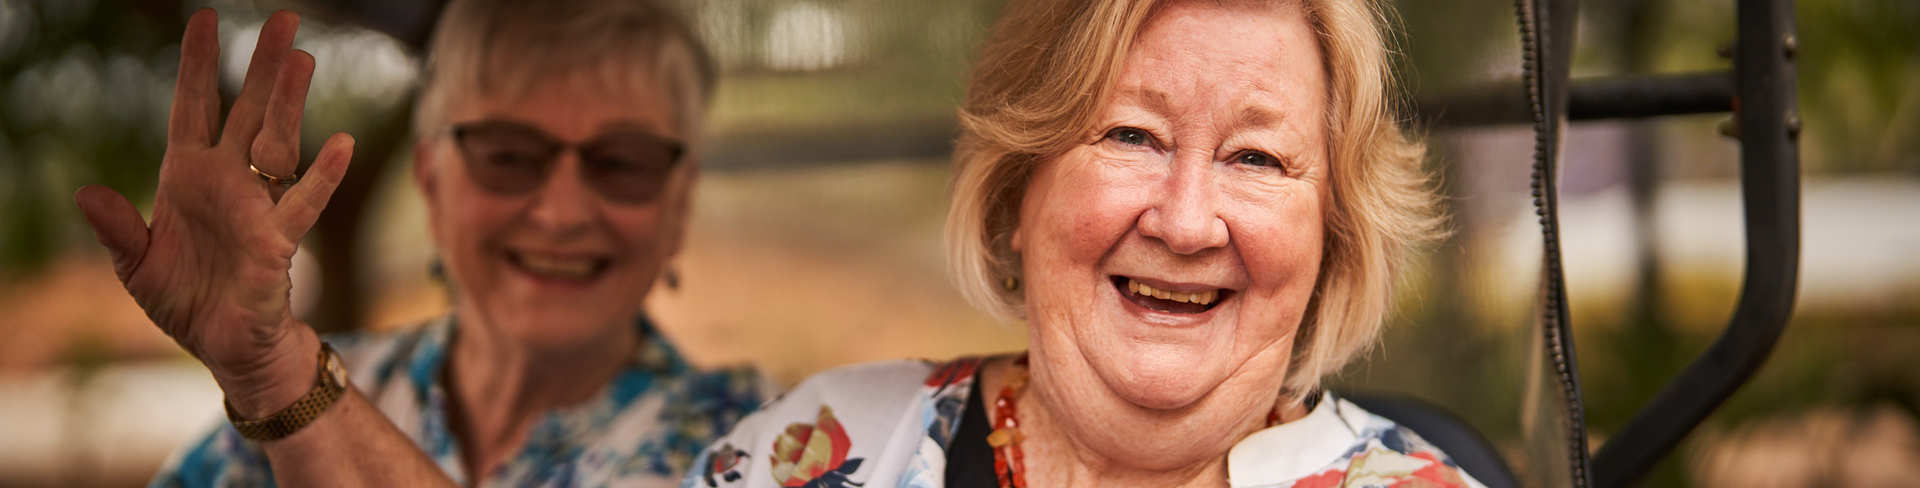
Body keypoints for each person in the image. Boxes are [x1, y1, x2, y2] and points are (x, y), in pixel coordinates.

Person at [680, 0, 1483, 487]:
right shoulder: (809, 451)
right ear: (1018, 192)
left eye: (1256, 158)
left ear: (1330, 238)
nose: (1185, 221)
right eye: (1133, 136)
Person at [73, 0, 765, 486]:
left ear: (679, 204)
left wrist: (283, 386)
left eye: (622, 162)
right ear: (431, 182)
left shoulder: (767, 443)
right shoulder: (314, 385)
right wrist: (268, 374)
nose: (560, 212)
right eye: (508, 154)